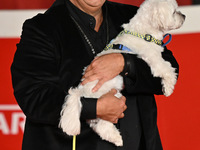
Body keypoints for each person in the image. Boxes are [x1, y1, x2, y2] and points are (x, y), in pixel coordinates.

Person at [11, 0, 179, 150]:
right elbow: (33, 96)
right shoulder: (42, 28)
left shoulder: (132, 16)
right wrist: (95, 108)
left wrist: (124, 63)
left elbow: (169, 69)